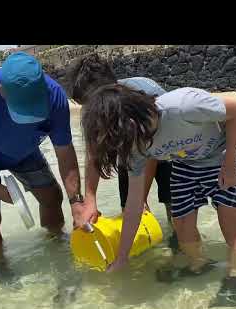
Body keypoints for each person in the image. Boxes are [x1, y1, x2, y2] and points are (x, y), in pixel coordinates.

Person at [80, 84, 236, 306]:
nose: (126, 149)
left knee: (230, 225)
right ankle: (198, 265)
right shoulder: (135, 147)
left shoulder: (184, 106)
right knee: (181, 224)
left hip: (222, 159)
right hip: (185, 165)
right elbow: (134, 204)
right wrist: (122, 256)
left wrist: (230, 162)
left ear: (131, 123)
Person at [0, 52, 87, 260]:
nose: (29, 115)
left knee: (53, 196)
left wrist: (77, 202)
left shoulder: (55, 96)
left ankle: (56, 246)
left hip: (25, 152)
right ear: (2, 91)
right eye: (23, 108)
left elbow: (65, 152)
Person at [64, 53, 179, 252]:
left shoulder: (143, 92)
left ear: (111, 87)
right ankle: (144, 251)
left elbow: (150, 151)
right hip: (129, 152)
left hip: (165, 149)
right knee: (130, 209)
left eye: (92, 103)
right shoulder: (89, 111)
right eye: (86, 106)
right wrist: (90, 199)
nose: (91, 110)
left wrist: (141, 196)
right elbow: (93, 154)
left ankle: (179, 246)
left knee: (175, 207)